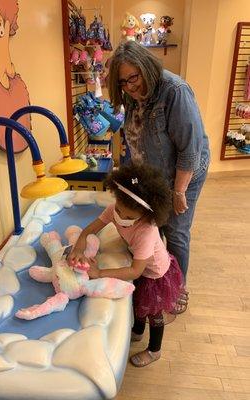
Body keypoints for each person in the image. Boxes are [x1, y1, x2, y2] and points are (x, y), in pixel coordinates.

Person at [107, 40, 210, 313]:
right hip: (152, 174)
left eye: (134, 77)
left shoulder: (174, 91)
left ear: (146, 67)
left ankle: (177, 288)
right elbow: (135, 141)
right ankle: (158, 277)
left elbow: (190, 149)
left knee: (175, 231)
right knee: (155, 227)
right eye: (123, 82)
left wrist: (178, 192)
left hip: (183, 174)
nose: (130, 86)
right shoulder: (131, 96)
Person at [68, 163, 183, 367]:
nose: (121, 218)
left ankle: (155, 350)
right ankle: (138, 332)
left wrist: (99, 272)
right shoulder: (115, 210)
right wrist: (78, 247)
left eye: (130, 217)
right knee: (138, 303)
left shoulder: (146, 230)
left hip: (155, 275)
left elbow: (136, 271)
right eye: (120, 210)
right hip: (139, 266)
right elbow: (89, 230)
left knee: (154, 314)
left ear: (147, 214)